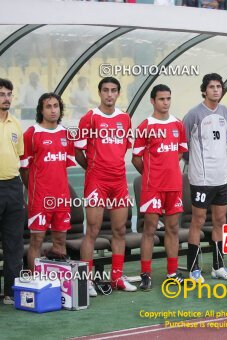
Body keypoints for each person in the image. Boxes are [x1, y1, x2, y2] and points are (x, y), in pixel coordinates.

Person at [75, 77, 137, 296]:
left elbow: (124, 148)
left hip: (119, 182)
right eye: (105, 90)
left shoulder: (125, 118)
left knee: (119, 230)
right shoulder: (89, 118)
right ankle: (87, 280)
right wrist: (93, 169)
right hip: (96, 182)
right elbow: (78, 152)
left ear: (118, 94)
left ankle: (117, 277)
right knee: (92, 230)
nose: (109, 94)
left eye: (113, 91)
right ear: (99, 93)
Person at [132, 85, 187, 290]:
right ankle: (145, 274)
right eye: (162, 99)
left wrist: (168, 170)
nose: (166, 102)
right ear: (153, 101)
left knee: (172, 229)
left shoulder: (178, 124)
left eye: (168, 98)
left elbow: (179, 153)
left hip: (174, 186)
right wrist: (151, 175)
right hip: (152, 187)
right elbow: (136, 158)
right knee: (149, 230)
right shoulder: (145, 126)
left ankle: (172, 273)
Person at [183, 73, 227, 283]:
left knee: (221, 221)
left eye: (218, 86)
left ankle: (218, 266)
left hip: (221, 178)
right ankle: (194, 269)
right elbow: (183, 144)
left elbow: (225, 141)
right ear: (204, 90)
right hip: (201, 180)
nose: (216, 90)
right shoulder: (193, 114)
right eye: (212, 87)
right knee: (198, 221)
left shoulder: (225, 112)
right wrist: (195, 164)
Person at [20, 93, 76, 271]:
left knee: (60, 240)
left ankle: (60, 287)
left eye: (56, 106)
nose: (53, 110)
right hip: (40, 199)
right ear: (41, 110)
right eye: (48, 106)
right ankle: (35, 284)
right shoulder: (31, 133)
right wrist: (34, 192)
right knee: (36, 241)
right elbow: (24, 169)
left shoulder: (66, 134)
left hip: (61, 199)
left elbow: (62, 168)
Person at [0, 79, 24, 311]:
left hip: (13, 186)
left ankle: (12, 291)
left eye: (9, 94)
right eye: (1, 94)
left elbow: (19, 156)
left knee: (14, 244)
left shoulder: (15, 124)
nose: (6, 98)